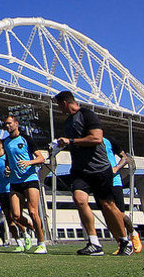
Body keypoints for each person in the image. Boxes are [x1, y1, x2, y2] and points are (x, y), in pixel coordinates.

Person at [54, 90, 133, 256]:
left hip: (99, 169)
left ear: (65, 103)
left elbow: (96, 138)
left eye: (59, 105)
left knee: (107, 205)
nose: (59, 109)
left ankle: (125, 241)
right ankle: (94, 243)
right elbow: (74, 143)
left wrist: (72, 141)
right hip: (80, 170)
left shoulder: (88, 115)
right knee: (79, 199)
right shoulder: (68, 122)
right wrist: (61, 145)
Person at [2, 115, 47, 254]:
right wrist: (7, 168)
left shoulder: (26, 139)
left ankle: (41, 243)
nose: (7, 126)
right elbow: (9, 159)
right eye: (6, 124)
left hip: (30, 179)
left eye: (9, 123)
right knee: (15, 215)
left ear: (16, 124)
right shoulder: (6, 142)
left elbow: (41, 158)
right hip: (15, 182)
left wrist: (29, 162)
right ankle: (34, 228)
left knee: (33, 212)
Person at [101, 137, 142, 254]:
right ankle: (121, 245)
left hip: (114, 182)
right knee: (109, 216)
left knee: (119, 214)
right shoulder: (85, 142)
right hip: (100, 183)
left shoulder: (109, 141)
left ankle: (133, 233)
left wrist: (116, 168)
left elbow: (125, 158)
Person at [0, 138, 28, 250]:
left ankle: (26, 234)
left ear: (1, 145)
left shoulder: (8, 157)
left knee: (16, 216)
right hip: (2, 191)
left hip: (12, 189)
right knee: (9, 220)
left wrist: (10, 172)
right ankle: (18, 243)